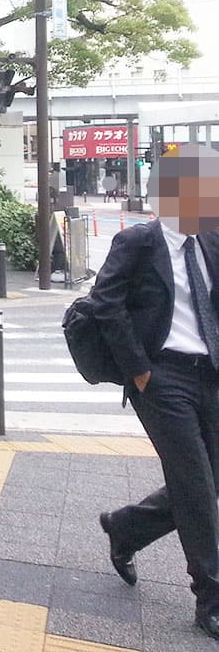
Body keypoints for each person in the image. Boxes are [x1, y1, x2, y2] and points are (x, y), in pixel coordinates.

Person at [92, 146, 219, 641]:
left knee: (207, 483)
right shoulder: (139, 241)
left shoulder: (210, 238)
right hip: (162, 378)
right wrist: (140, 371)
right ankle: (210, 599)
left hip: (209, 374)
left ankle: (127, 527)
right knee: (195, 488)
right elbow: (105, 304)